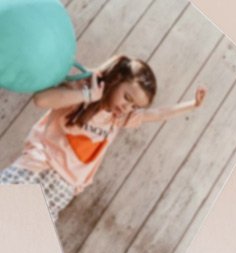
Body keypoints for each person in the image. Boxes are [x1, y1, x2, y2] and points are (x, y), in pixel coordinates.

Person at [0, 55, 206, 220]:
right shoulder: (82, 93)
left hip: (63, 188)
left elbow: (159, 114)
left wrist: (192, 106)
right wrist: (89, 94)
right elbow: (41, 99)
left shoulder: (118, 119)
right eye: (127, 97)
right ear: (115, 81)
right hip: (38, 164)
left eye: (134, 106)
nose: (127, 107)